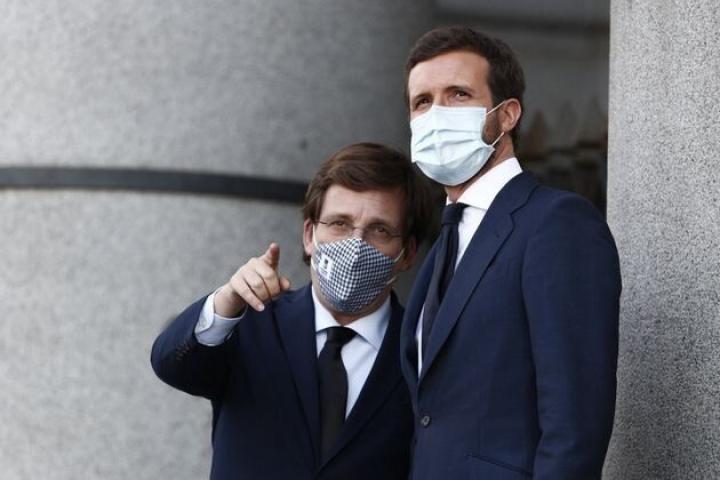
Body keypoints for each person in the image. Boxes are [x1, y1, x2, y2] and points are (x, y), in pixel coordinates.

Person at [400, 27, 622, 479]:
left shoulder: (557, 223)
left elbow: (575, 423)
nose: (436, 114)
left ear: (506, 115)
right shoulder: (445, 243)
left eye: (458, 94)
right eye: (422, 101)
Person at [152, 143, 431, 480]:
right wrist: (227, 300)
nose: (356, 245)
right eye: (339, 223)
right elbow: (171, 364)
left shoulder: (423, 352)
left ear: (407, 253)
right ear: (310, 235)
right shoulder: (252, 322)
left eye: (380, 229)